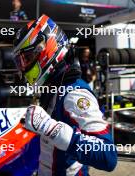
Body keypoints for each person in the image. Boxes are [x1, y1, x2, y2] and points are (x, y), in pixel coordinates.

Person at [13, 15, 117, 175]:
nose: (23, 66)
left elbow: (107, 156)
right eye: (20, 61)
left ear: (46, 49)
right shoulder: (53, 85)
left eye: (26, 58)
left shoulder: (74, 94)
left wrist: (50, 128)